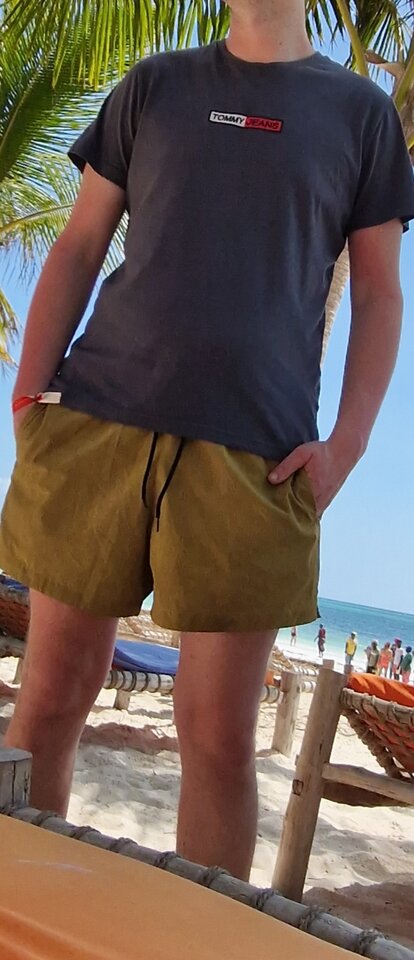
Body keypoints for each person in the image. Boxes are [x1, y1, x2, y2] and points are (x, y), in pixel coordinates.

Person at [1, 0, 413, 883]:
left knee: (220, 738)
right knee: (50, 698)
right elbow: (79, 244)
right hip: (98, 422)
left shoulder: (362, 116)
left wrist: (346, 445)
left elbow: (381, 293)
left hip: (256, 456)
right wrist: (31, 393)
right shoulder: (155, 85)